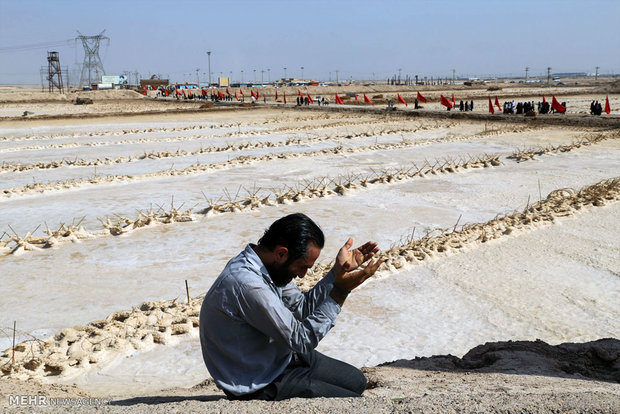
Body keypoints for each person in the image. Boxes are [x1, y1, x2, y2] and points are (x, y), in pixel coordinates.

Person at [199, 213, 383, 401]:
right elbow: (301, 340)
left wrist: (338, 271)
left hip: (281, 356)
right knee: (351, 400)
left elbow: (301, 308)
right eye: (302, 266)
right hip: (257, 380)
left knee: (357, 382)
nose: (303, 275)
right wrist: (339, 293)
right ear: (281, 253)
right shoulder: (248, 284)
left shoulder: (271, 266)